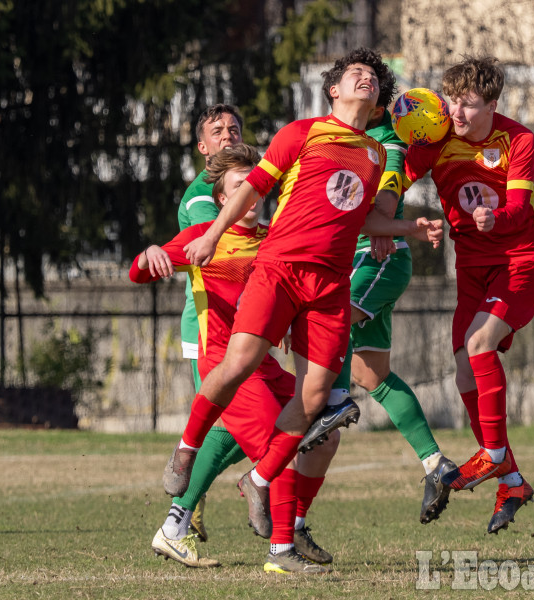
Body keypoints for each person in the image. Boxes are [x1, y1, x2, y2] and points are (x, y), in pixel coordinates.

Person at [162, 48, 442, 541]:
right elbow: (251, 189)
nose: (366, 80)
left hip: (328, 285)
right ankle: (186, 449)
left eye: (373, 77)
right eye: (355, 74)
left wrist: (410, 229)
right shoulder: (300, 133)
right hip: (280, 271)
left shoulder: (376, 154)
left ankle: (259, 480)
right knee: (240, 363)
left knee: (315, 404)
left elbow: (363, 218)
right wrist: (209, 236)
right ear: (333, 89)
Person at [133, 146, 336, 573]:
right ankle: (281, 553)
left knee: (323, 430)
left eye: (255, 185)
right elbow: (139, 271)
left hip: (263, 366)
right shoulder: (205, 236)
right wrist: (148, 254)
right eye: (239, 185)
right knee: (279, 444)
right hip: (225, 365)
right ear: (224, 199)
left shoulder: (273, 240)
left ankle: (212, 510)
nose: (250, 193)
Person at [400, 56, 534, 534]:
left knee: (480, 344)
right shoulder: (438, 138)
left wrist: (496, 218)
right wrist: (384, 219)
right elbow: (396, 177)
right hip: (471, 270)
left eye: (467, 105)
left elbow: (521, 209)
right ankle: (512, 481)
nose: (456, 114)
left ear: (492, 105)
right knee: (464, 362)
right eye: (452, 102)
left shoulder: (517, 139)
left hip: (518, 262)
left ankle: (495, 454)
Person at [297, 97, 456, 525]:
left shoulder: (387, 140)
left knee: (333, 324)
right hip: (367, 258)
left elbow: (384, 203)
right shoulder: (347, 137)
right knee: (373, 374)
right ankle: (434, 463)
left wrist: (385, 221)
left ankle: (333, 404)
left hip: (376, 260)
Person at [176, 104, 247, 541]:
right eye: (217, 131)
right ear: (203, 147)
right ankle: (182, 506)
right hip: (209, 326)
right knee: (241, 423)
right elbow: (221, 249)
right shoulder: (204, 194)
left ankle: (187, 488)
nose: (227, 135)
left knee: (254, 421)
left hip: (243, 325)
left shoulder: (246, 188)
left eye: (233, 128)